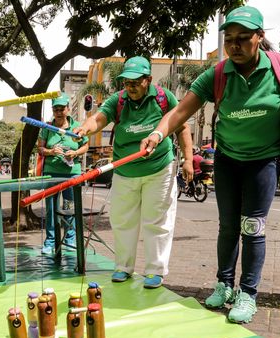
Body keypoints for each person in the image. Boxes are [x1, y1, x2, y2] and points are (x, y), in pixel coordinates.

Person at [142, 6, 280, 323]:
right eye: (229, 39)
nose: (234, 45)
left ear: (260, 38)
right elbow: (181, 112)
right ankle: (224, 284)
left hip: (264, 161)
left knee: (253, 227)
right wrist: (157, 132)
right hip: (228, 159)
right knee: (228, 226)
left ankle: (248, 293)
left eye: (243, 38)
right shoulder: (218, 74)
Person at [74, 56, 192, 288]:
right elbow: (99, 119)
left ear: (148, 80)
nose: (131, 87)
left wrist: (188, 159)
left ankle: (155, 271)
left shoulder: (162, 98)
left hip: (159, 168)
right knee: (122, 220)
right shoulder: (118, 100)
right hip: (124, 169)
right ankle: (123, 267)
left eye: (136, 82)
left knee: (157, 221)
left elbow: (181, 126)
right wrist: (84, 129)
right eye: (127, 83)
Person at [38, 93, 89, 254]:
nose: (59, 112)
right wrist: (51, 151)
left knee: (69, 207)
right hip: (51, 174)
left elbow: (85, 146)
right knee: (51, 208)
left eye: (62, 109)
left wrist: (75, 153)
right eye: (56, 109)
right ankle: (50, 241)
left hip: (71, 174)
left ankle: (70, 239)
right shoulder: (47, 128)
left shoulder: (77, 127)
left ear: (68, 109)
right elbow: (40, 149)